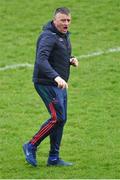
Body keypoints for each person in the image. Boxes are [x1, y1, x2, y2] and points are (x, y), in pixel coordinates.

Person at [23, 7, 79, 167]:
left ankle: (53, 158)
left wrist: (70, 59)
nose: (66, 23)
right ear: (54, 20)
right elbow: (41, 59)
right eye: (63, 20)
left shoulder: (63, 35)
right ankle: (31, 145)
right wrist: (56, 77)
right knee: (57, 118)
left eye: (68, 20)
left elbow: (57, 55)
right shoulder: (48, 36)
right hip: (46, 83)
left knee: (61, 120)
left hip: (58, 84)